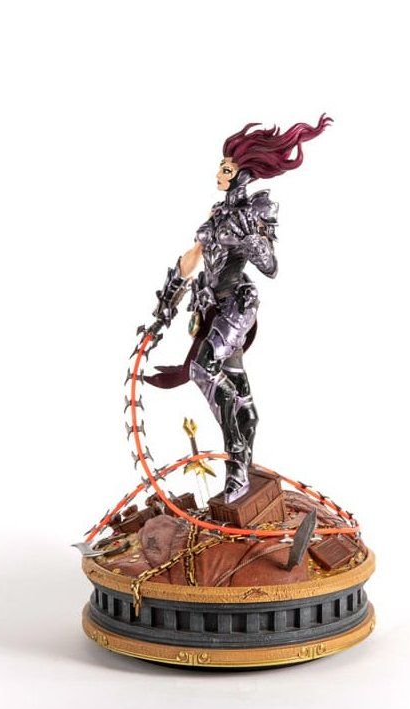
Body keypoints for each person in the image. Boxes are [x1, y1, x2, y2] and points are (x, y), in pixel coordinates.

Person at [144, 116, 332, 502]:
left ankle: (237, 468)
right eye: (220, 167)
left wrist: (252, 241)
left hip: (237, 304)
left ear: (242, 173)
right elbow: (191, 258)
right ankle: (246, 423)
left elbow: (271, 267)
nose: (218, 173)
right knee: (234, 384)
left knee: (202, 369)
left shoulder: (256, 211)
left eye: (226, 169)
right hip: (211, 306)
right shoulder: (216, 215)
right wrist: (164, 308)